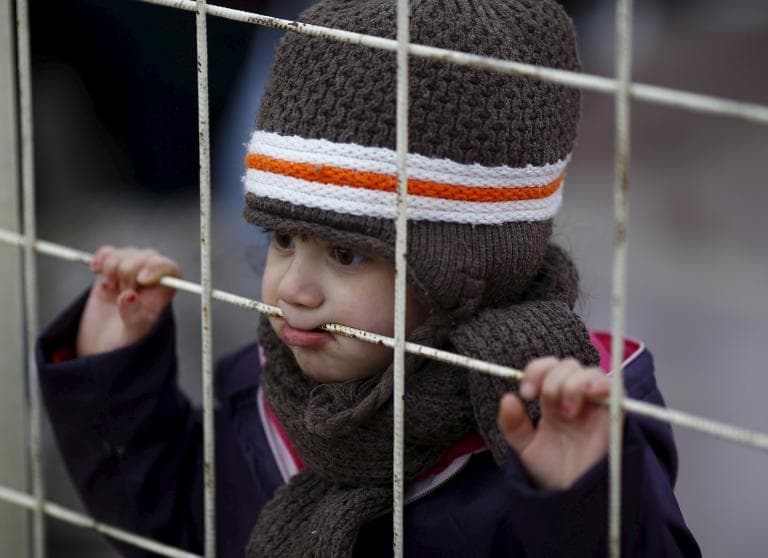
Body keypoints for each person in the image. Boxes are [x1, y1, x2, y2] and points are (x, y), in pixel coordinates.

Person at [37, 0, 700, 556]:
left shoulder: (561, 423)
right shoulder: (261, 389)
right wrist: (111, 372)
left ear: (464, 270)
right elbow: (176, 529)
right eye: (283, 239)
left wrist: (583, 498)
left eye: (348, 255)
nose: (291, 289)